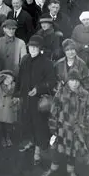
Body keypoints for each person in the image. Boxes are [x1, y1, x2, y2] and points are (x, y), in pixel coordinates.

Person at [42, 70, 89, 176]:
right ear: (67, 81)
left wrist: (87, 126)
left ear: (80, 82)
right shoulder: (61, 92)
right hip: (61, 129)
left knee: (72, 152)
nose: (74, 83)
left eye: (77, 81)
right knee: (56, 150)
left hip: (76, 130)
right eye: (71, 80)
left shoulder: (85, 95)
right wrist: (53, 126)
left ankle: (71, 171)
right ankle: (53, 168)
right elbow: (54, 110)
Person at [16, 35, 57, 165]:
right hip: (25, 98)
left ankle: (38, 152)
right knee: (26, 121)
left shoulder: (47, 63)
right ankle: (30, 142)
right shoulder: (25, 59)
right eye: (31, 47)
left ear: (40, 48)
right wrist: (17, 94)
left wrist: (38, 89)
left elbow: (51, 82)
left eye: (35, 47)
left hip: (38, 101)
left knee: (39, 125)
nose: (32, 49)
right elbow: (20, 77)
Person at [0, 70, 21, 147]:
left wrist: (17, 99)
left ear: (13, 79)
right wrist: (2, 76)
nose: (8, 79)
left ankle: (8, 138)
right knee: (0, 125)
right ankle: (2, 138)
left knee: (8, 126)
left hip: (9, 109)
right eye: (6, 77)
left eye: (10, 78)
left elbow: (19, 95)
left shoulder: (15, 85)